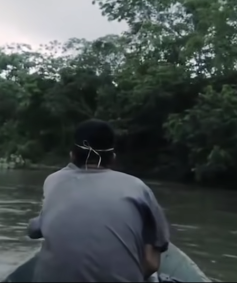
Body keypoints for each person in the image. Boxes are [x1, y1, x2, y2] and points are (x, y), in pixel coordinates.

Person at [27, 119, 171, 282]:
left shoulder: (53, 181)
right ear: (113, 158)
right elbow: (152, 263)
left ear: (72, 155)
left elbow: (34, 230)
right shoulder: (138, 188)